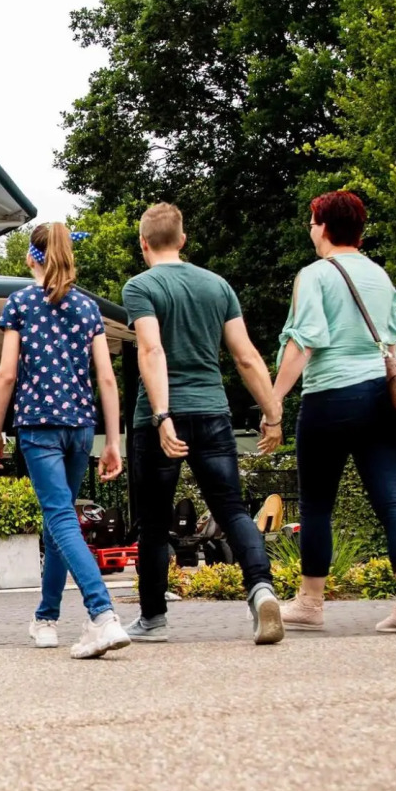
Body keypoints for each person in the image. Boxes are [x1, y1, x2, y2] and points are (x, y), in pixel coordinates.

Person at [122, 203, 285, 646]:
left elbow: (152, 352)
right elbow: (246, 355)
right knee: (232, 509)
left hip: (160, 420)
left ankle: (153, 619)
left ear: (143, 244)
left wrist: (161, 415)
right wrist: (272, 413)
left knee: (154, 523)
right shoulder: (218, 286)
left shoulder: (141, 286)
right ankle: (261, 590)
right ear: (183, 239)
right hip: (213, 413)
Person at [266, 190, 396, 633]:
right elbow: (393, 344)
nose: (310, 228)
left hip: (330, 397)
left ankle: (311, 603)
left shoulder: (315, 274)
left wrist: (274, 398)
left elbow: (305, 340)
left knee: (317, 504)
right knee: (392, 500)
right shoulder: (380, 276)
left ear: (323, 226)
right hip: (380, 395)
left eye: (312, 220)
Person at [0, 221, 130, 659]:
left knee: (62, 520)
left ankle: (102, 614)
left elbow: (7, 374)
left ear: (31, 256)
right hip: (80, 427)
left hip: (38, 427)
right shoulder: (88, 309)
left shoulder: (20, 303)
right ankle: (46, 619)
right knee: (58, 523)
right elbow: (106, 377)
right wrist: (112, 440)